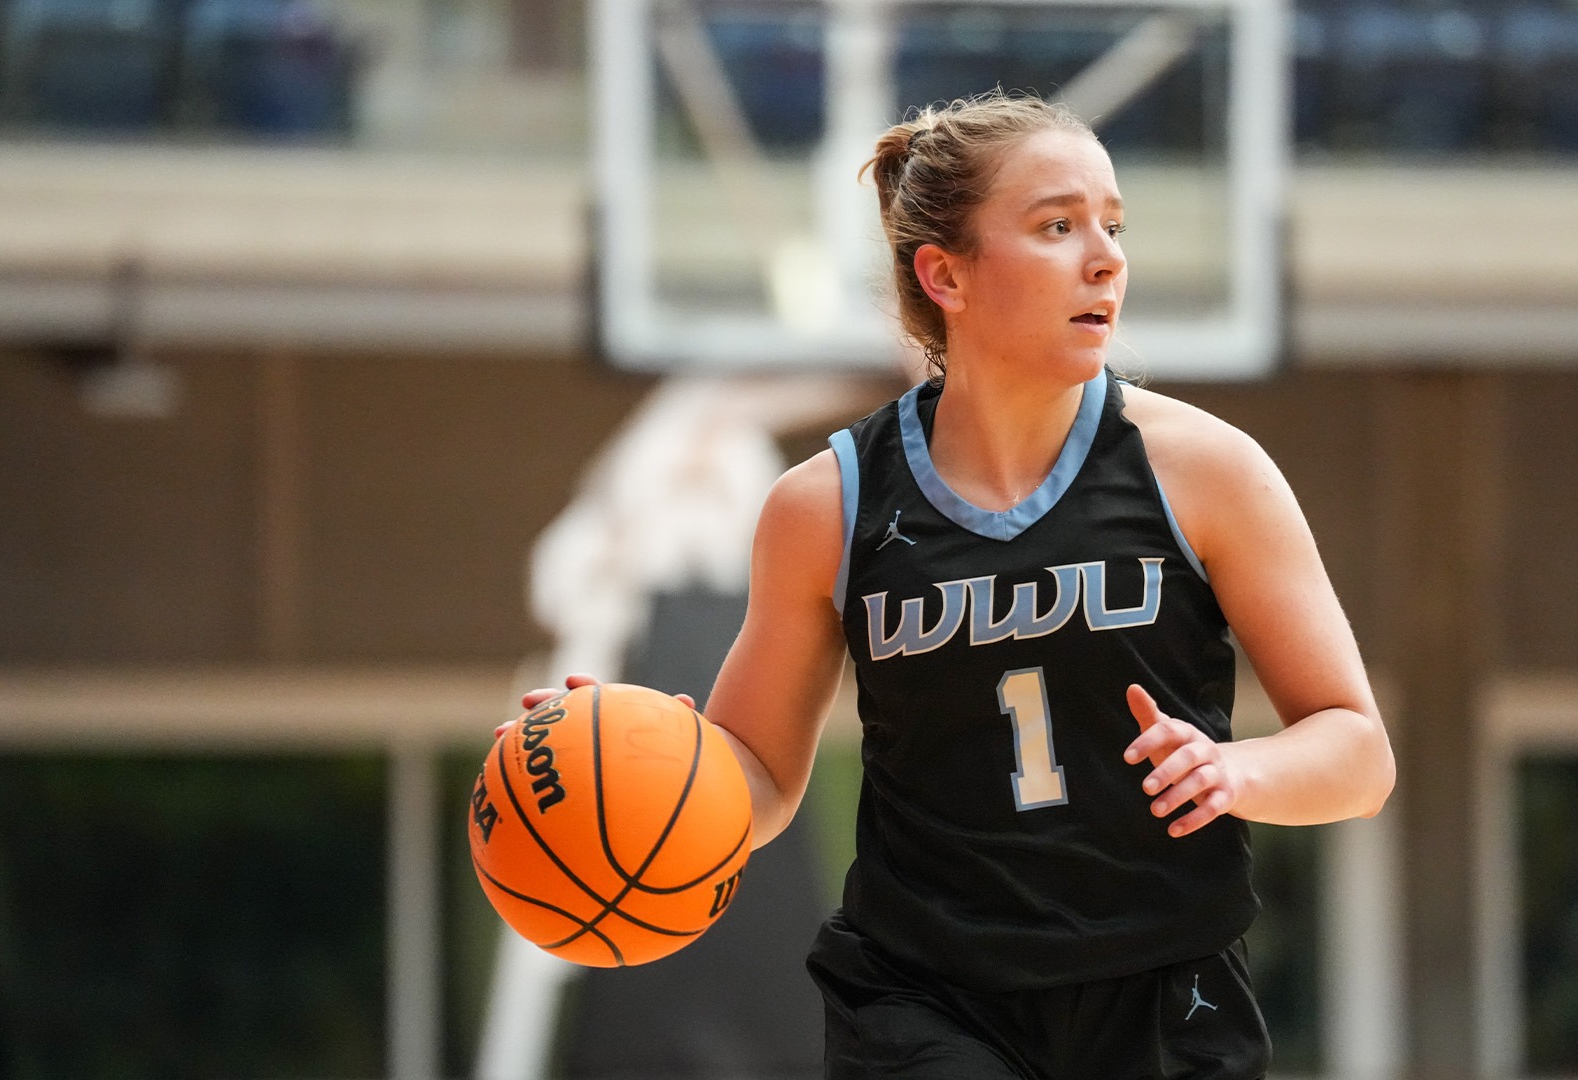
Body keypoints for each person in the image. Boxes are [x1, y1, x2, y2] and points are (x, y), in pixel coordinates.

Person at [517, 92, 1395, 1080]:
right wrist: (643, 762)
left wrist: (1241, 773)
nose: (1104, 257)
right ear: (946, 273)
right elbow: (757, 777)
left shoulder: (1208, 471)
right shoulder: (825, 508)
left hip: (1162, 987)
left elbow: (1358, 752)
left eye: (1113, 226)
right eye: (1057, 226)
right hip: (926, 997)